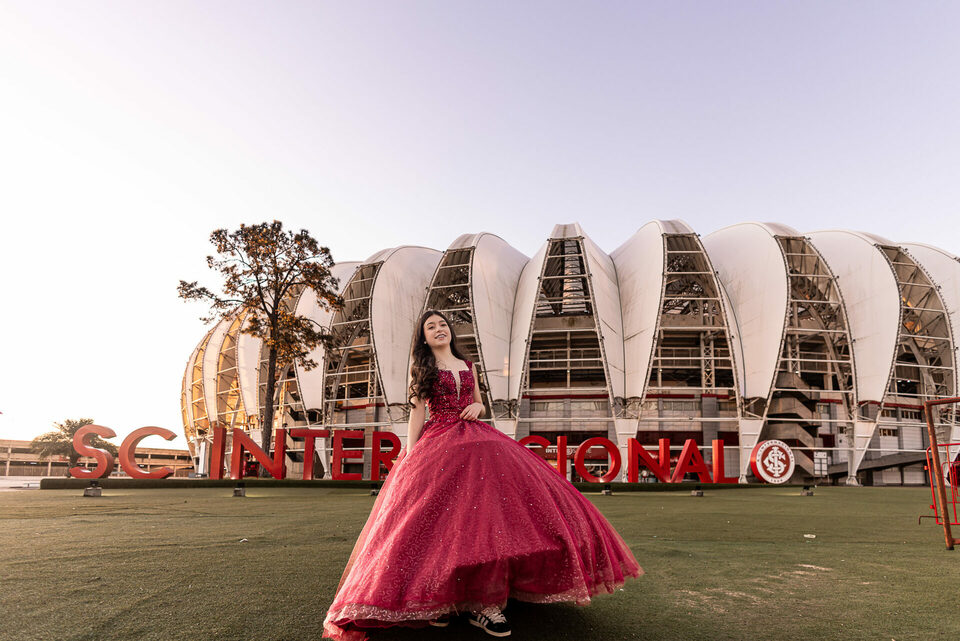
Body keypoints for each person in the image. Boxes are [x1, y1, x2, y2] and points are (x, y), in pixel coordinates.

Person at [322, 309, 642, 640]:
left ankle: (481, 602)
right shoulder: (422, 369)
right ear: (424, 338)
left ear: (450, 332)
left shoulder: (468, 366)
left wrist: (479, 408)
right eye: (431, 327)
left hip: (476, 439)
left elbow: (479, 403)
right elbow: (417, 413)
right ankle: (441, 599)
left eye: (442, 325)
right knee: (437, 521)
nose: (438, 329)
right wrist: (410, 452)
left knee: (486, 518)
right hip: (439, 441)